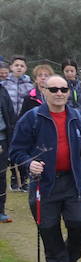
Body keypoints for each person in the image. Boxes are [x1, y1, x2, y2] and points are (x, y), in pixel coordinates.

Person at [8, 73, 81, 262]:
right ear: (44, 92)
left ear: (69, 92)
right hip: (44, 183)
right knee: (48, 227)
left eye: (63, 89)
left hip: (74, 181)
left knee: (79, 225)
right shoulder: (32, 118)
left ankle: (71, 259)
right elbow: (16, 150)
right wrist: (28, 163)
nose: (59, 93)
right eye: (54, 89)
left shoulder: (78, 118)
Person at [3, 58, 32, 193]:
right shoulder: (4, 85)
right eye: (16, 65)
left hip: (24, 122)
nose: (19, 68)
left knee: (23, 150)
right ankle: (14, 178)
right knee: (10, 152)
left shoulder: (29, 86)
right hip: (9, 123)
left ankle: (25, 178)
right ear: (11, 67)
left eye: (22, 65)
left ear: (25, 68)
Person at [0, 71, 16, 223]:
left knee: (0, 176)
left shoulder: (3, 91)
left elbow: (10, 115)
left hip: (2, 140)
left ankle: (0, 210)